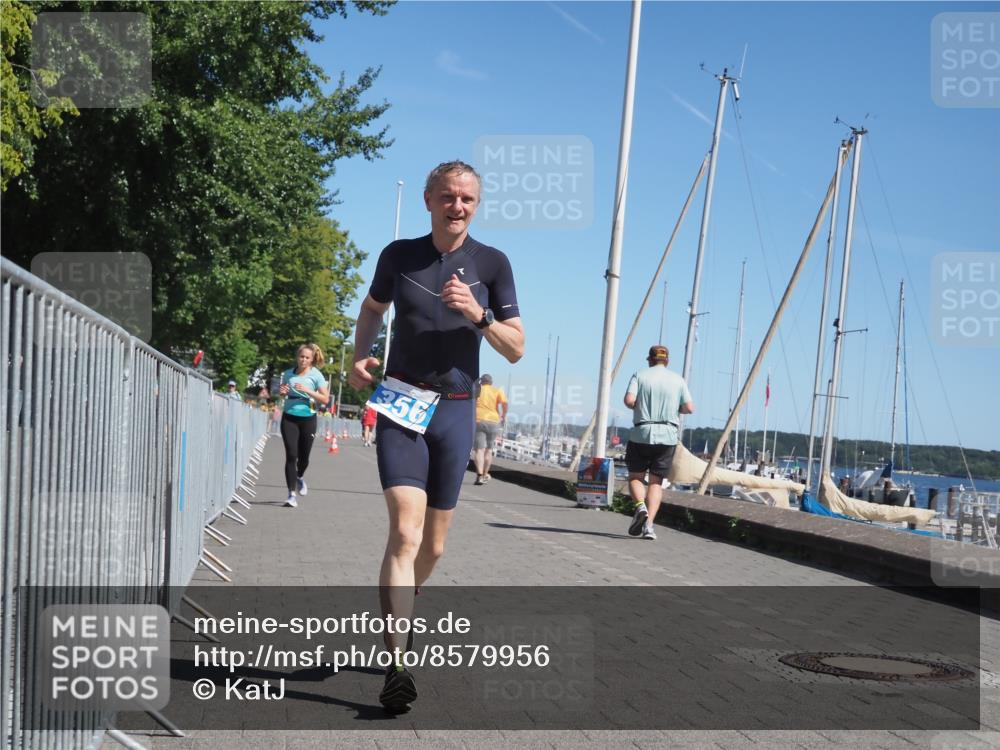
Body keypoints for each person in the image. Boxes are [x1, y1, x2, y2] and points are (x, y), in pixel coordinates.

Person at [348, 160, 524, 713]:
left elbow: (516, 347)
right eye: (448, 196)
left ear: (477, 204)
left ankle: (406, 600)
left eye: (468, 198)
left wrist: (479, 316)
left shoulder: (492, 264)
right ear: (429, 200)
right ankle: (398, 665)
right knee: (404, 533)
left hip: (455, 411)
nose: (458, 206)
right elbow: (372, 309)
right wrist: (359, 355)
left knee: (434, 545)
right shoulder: (399, 256)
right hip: (401, 401)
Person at [623, 345, 694, 541]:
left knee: (636, 477)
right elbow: (689, 407)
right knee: (656, 482)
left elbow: (629, 400)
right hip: (667, 436)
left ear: (650, 360)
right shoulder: (678, 380)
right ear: (667, 361)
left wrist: (641, 405)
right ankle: (649, 527)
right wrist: (674, 407)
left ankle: (640, 507)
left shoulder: (640, 375)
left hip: (642, 433)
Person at [278, 343, 330, 508]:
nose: (304, 360)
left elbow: (325, 399)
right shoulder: (288, 374)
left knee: (304, 456)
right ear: (297, 357)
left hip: (308, 417)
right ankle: (291, 494)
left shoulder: (317, 375)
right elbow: (282, 392)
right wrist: (283, 391)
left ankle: (300, 476)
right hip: (289, 417)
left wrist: (308, 391)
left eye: (307, 357)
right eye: (301, 357)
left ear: (312, 359)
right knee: (291, 455)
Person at [473, 373, 507, 485]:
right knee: (489, 450)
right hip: (493, 421)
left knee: (479, 450)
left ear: (481, 382)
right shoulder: (497, 391)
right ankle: (485, 474)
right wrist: (503, 415)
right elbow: (504, 403)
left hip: (479, 419)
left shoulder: (477, 389)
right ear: (491, 382)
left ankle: (479, 475)